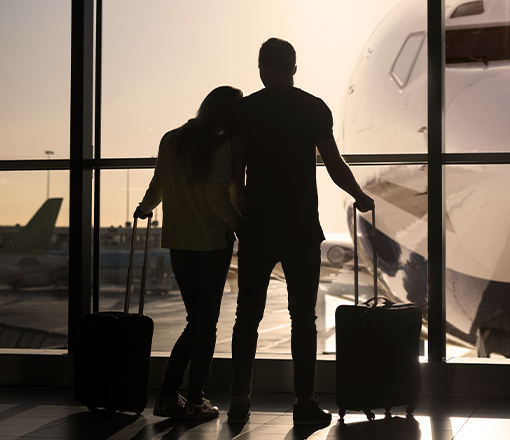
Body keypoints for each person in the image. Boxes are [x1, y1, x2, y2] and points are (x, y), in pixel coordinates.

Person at [227, 37, 374, 426]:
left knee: (246, 318)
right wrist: (359, 196)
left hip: (257, 227)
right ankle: (303, 403)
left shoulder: (244, 111)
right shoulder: (313, 108)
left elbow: (235, 173)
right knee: (302, 320)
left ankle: (240, 400)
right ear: (294, 68)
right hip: (300, 229)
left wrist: (243, 213)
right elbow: (335, 164)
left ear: (262, 68)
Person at [133, 86, 242, 420]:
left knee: (196, 322)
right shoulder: (223, 145)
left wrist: (144, 207)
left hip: (178, 244)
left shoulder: (170, 140)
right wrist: (240, 227)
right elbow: (217, 196)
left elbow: (159, 183)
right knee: (204, 324)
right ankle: (194, 399)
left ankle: (169, 396)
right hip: (212, 243)